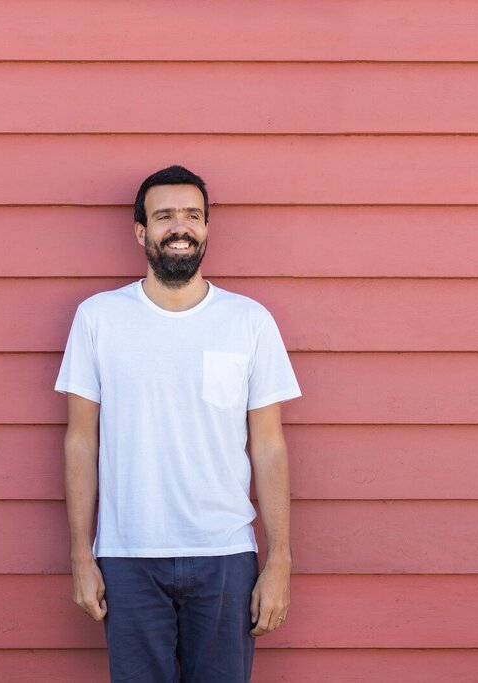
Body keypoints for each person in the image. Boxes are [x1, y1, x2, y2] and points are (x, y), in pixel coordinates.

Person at [54, 165, 301, 682]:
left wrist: (279, 560)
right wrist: (81, 553)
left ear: (207, 228)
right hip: (127, 554)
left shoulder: (248, 321)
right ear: (141, 231)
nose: (179, 226)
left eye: (192, 215)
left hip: (226, 554)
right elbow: (80, 441)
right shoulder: (98, 318)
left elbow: (270, 447)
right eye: (164, 216)